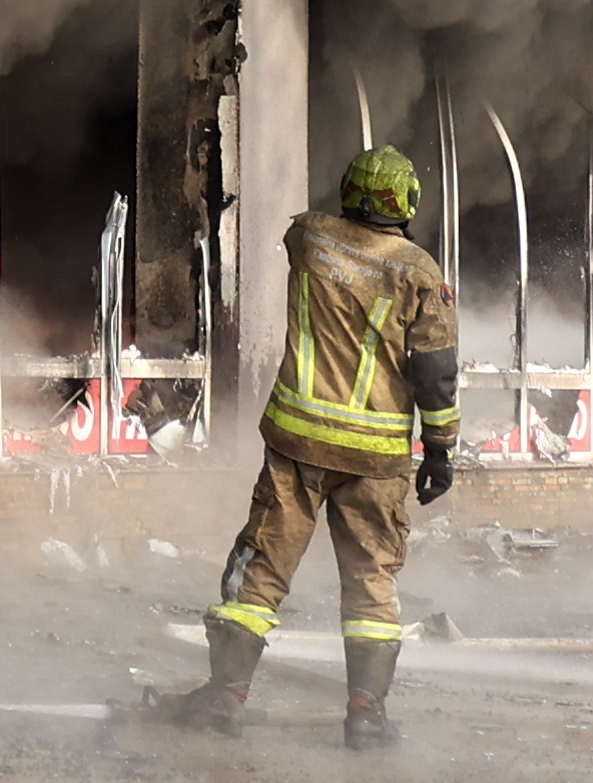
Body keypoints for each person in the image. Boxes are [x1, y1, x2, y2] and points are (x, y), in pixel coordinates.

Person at [163, 145, 461, 750]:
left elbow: (303, 224)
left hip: (297, 444)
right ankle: (365, 716)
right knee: (372, 582)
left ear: (350, 191)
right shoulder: (421, 274)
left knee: (260, 570)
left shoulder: (309, 239)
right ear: (407, 202)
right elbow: (435, 374)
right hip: (376, 457)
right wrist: (440, 450)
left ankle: (226, 697)